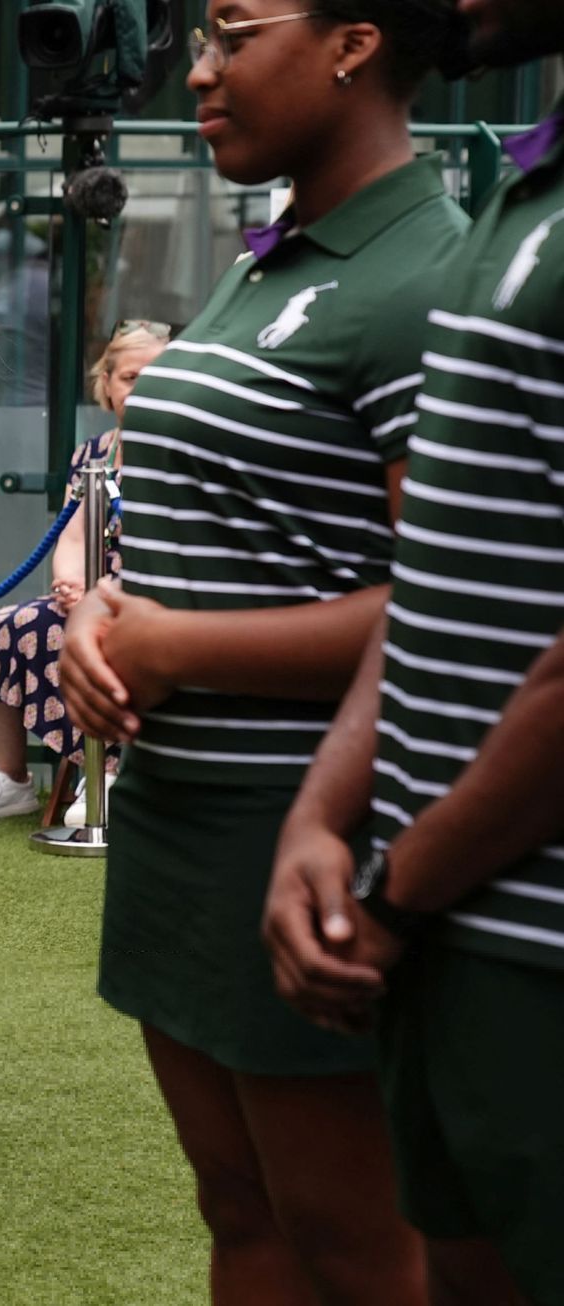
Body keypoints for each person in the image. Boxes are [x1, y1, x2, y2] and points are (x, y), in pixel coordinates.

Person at [59, 3, 470, 1301]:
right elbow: (222, 519)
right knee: (238, 1210)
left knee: (360, 1253)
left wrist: (180, 643)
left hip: (310, 830)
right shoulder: (273, 251)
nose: (198, 68)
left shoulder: (425, 272)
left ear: (354, 40)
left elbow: (469, 598)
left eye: (232, 32)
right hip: (183, 825)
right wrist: (99, 617)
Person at [261, 3, 564, 1300]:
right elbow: (437, 572)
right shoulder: (526, 183)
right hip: (444, 929)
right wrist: (325, 816)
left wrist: (394, 890)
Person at [0, 323, 167, 825]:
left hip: (150, 601)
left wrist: (105, 592)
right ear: (107, 384)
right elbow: (71, 538)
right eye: (131, 377)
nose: (142, 389)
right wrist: (70, 581)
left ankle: (109, 769)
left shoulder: (183, 453)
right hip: (90, 592)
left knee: (102, 639)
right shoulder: (92, 456)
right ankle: (13, 780)